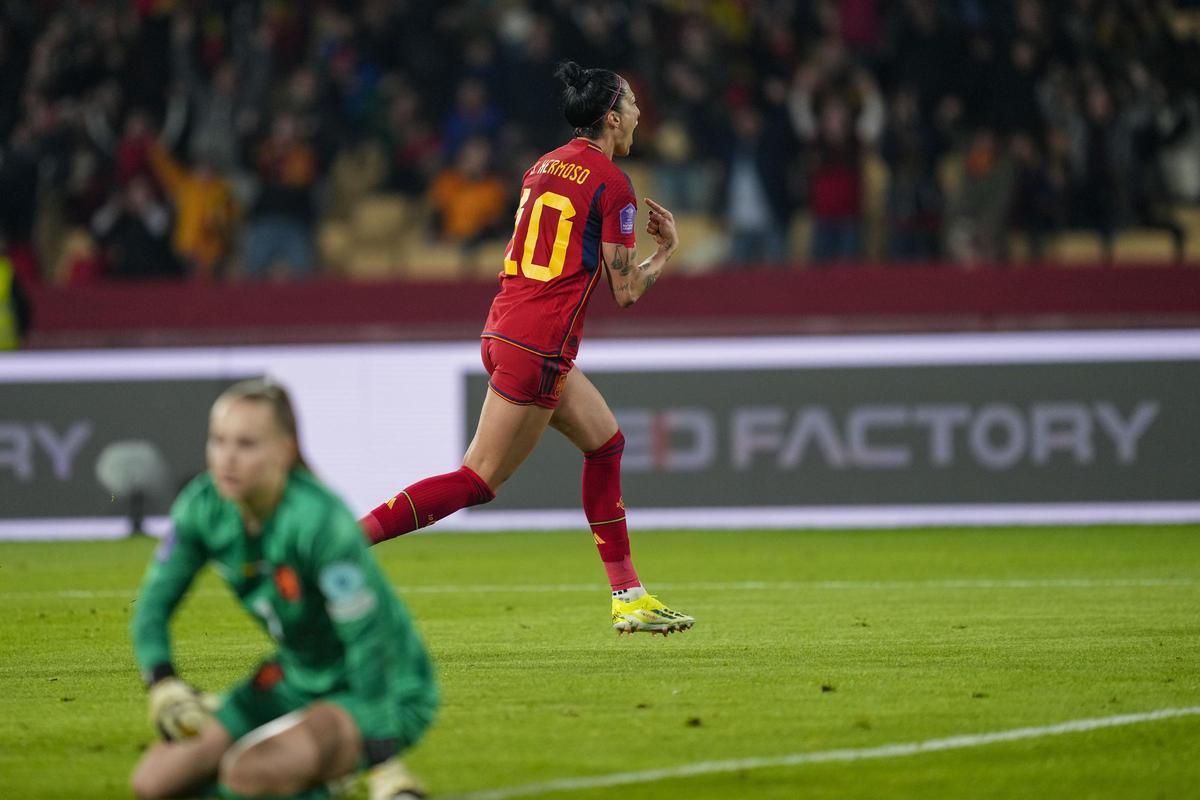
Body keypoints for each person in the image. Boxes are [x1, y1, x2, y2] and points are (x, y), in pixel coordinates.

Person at [361, 61, 694, 636]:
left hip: (505, 331)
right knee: (477, 480)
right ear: (612, 118)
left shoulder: (543, 165)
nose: (641, 114)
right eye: (634, 105)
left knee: (606, 442)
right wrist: (665, 251)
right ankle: (342, 542)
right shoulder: (614, 186)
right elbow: (627, 291)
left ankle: (629, 595)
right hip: (539, 347)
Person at [129, 379, 436, 800]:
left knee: (249, 775)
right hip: (296, 678)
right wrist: (162, 680)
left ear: (285, 450)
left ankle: (327, 779)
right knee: (154, 783)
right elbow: (153, 604)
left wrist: (381, 757)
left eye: (247, 444)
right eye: (218, 441)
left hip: (384, 687)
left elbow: (368, 640)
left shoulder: (319, 523)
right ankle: (321, 778)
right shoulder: (204, 508)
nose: (227, 459)